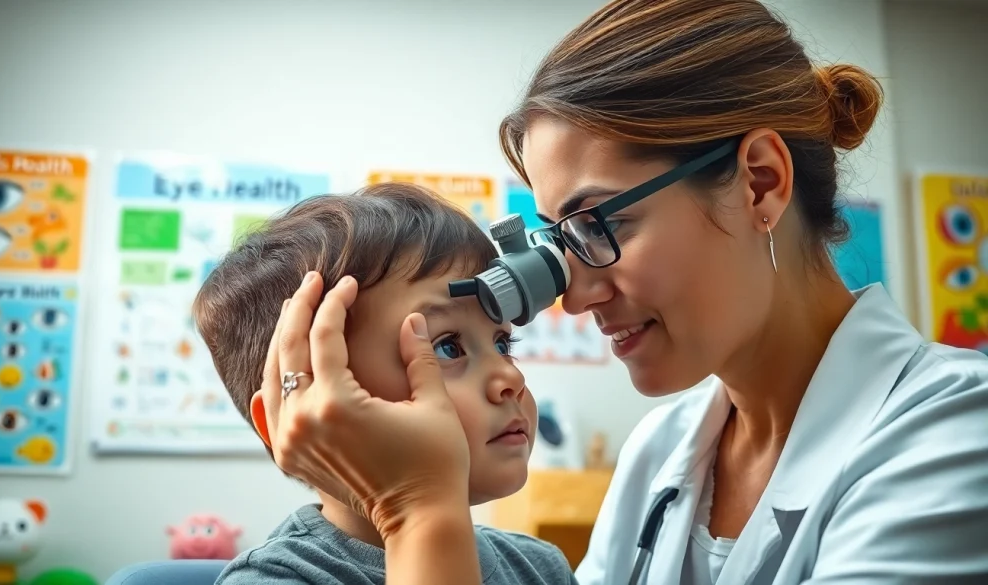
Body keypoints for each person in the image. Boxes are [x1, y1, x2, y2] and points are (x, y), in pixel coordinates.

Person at [256, 0, 988, 584]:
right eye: (560, 239)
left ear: (760, 182)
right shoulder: (661, 453)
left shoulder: (957, 433)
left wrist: (419, 512)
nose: (574, 298)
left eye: (599, 224)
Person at [192, 183, 577, 584]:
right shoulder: (272, 581)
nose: (510, 377)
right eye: (446, 348)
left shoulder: (540, 567)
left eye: (502, 343)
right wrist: (418, 509)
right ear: (291, 415)